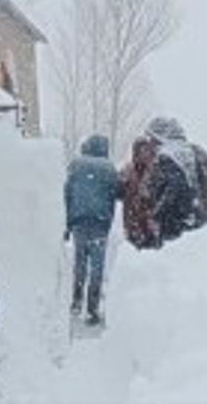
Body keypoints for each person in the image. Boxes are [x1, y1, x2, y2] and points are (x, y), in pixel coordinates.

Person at [65, 135, 118, 326]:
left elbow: (67, 193)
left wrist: (66, 225)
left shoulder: (75, 165)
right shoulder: (109, 168)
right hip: (100, 224)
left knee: (79, 264)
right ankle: (92, 309)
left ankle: (76, 302)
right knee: (97, 267)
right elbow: (117, 193)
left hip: (79, 223)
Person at [144, 117, 207, 242]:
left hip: (176, 224)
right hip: (201, 220)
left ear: (158, 136)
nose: (149, 144)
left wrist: (156, 215)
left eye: (150, 138)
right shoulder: (195, 151)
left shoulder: (169, 155)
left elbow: (174, 188)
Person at [119, 136, 161, 250]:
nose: (144, 154)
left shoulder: (157, 170)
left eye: (147, 150)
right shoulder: (128, 169)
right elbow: (119, 190)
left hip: (150, 218)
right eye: (141, 151)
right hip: (132, 217)